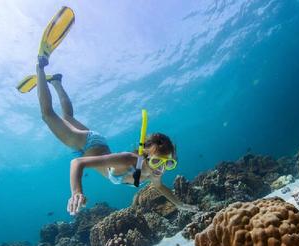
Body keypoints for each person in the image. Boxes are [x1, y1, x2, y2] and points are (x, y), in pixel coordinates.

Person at [35, 56, 197, 215]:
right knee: (48, 116)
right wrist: (76, 192)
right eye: (156, 161)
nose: (161, 169)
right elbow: (77, 163)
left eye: (168, 164)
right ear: (144, 155)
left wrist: (180, 205)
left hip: (97, 146)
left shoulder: (154, 173)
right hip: (88, 144)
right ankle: (40, 66)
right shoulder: (128, 160)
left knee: (68, 118)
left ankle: (56, 81)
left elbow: (160, 187)